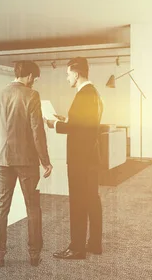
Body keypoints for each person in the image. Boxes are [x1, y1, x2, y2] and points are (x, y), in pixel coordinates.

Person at [0, 60, 53, 267]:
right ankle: (34, 255)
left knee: (1, 207)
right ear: (30, 76)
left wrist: (8, 133)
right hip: (27, 161)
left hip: (3, 160)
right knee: (32, 207)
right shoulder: (32, 95)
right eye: (35, 78)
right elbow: (37, 133)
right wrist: (46, 162)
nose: (35, 82)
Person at [46, 57, 103, 260]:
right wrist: (66, 120)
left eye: (68, 74)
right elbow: (84, 124)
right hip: (90, 157)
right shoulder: (93, 93)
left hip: (80, 159)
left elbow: (79, 128)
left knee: (78, 202)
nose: (67, 78)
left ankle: (76, 248)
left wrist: (56, 125)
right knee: (92, 200)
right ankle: (95, 244)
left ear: (76, 74)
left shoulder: (84, 94)